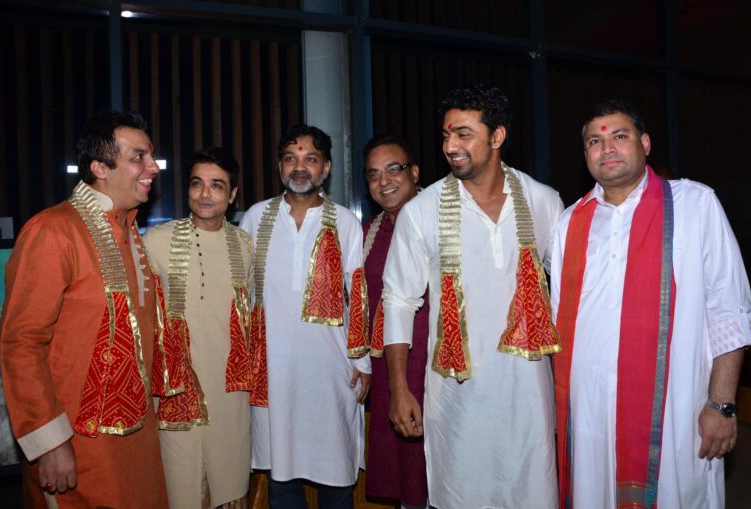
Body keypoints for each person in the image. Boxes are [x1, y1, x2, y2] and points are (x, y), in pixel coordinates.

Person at [549, 100, 751, 508]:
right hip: (588, 421)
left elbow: (730, 310)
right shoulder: (569, 222)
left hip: (675, 413)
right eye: (595, 141)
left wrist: (722, 405)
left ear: (645, 144)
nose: (606, 148)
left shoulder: (695, 204)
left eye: (619, 136)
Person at [382, 84, 564, 509]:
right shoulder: (421, 211)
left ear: (497, 137)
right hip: (456, 396)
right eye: (446, 135)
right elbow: (398, 302)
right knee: (462, 493)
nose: (451, 146)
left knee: (532, 490)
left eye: (464, 134)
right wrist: (399, 389)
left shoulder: (542, 201)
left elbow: (570, 293)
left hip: (530, 393)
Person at [0, 111, 168, 508]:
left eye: (151, 157)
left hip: (138, 441)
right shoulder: (53, 231)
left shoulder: (130, 231)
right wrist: (49, 442)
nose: (152, 168)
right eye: (139, 157)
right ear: (99, 167)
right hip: (76, 448)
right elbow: (21, 343)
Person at [238, 124, 371, 509]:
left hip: (331, 371)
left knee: (336, 477)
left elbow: (357, 294)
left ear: (325, 168)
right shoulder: (256, 217)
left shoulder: (345, 221)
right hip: (273, 371)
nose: (300, 168)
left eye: (310, 159)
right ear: (280, 167)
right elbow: (243, 297)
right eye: (290, 159)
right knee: (281, 479)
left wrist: (362, 361)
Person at [144, 147, 253, 509]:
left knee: (230, 488)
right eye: (197, 183)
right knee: (182, 489)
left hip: (229, 394)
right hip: (175, 393)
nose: (205, 194)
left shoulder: (245, 246)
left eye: (217, 186)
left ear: (232, 195)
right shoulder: (155, 243)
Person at [361, 135, 428, 509]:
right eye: (373, 174)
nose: (383, 180)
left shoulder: (439, 220)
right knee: (406, 485)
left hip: (437, 369)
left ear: (414, 172)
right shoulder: (370, 231)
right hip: (390, 369)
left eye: (393, 169)